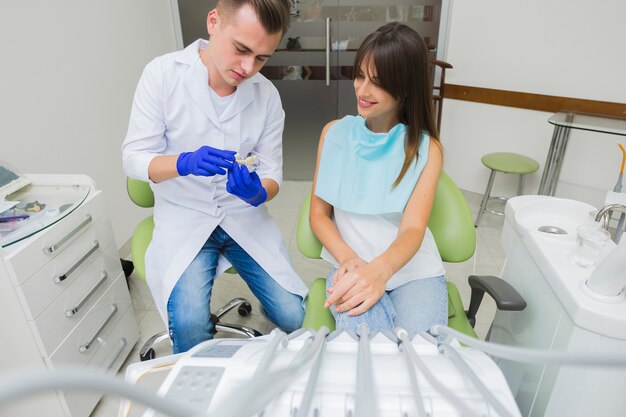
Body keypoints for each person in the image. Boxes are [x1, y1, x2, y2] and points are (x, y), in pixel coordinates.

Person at [122, 0, 308, 353]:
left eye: (262, 58)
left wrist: (258, 193)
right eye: (241, 49)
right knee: (191, 329)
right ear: (213, 23)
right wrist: (183, 163)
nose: (248, 67)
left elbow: (272, 174)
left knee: (296, 316)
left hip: (243, 218)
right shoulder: (162, 75)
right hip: (185, 217)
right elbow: (133, 159)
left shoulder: (266, 96)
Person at [309, 22, 446, 336]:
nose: (362, 90)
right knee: (370, 352)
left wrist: (380, 271)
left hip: (414, 272)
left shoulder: (426, 149)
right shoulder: (334, 135)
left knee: (420, 355)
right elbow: (319, 214)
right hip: (352, 265)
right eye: (360, 75)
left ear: (406, 86)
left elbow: (413, 228)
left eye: (378, 82)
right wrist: (350, 260)